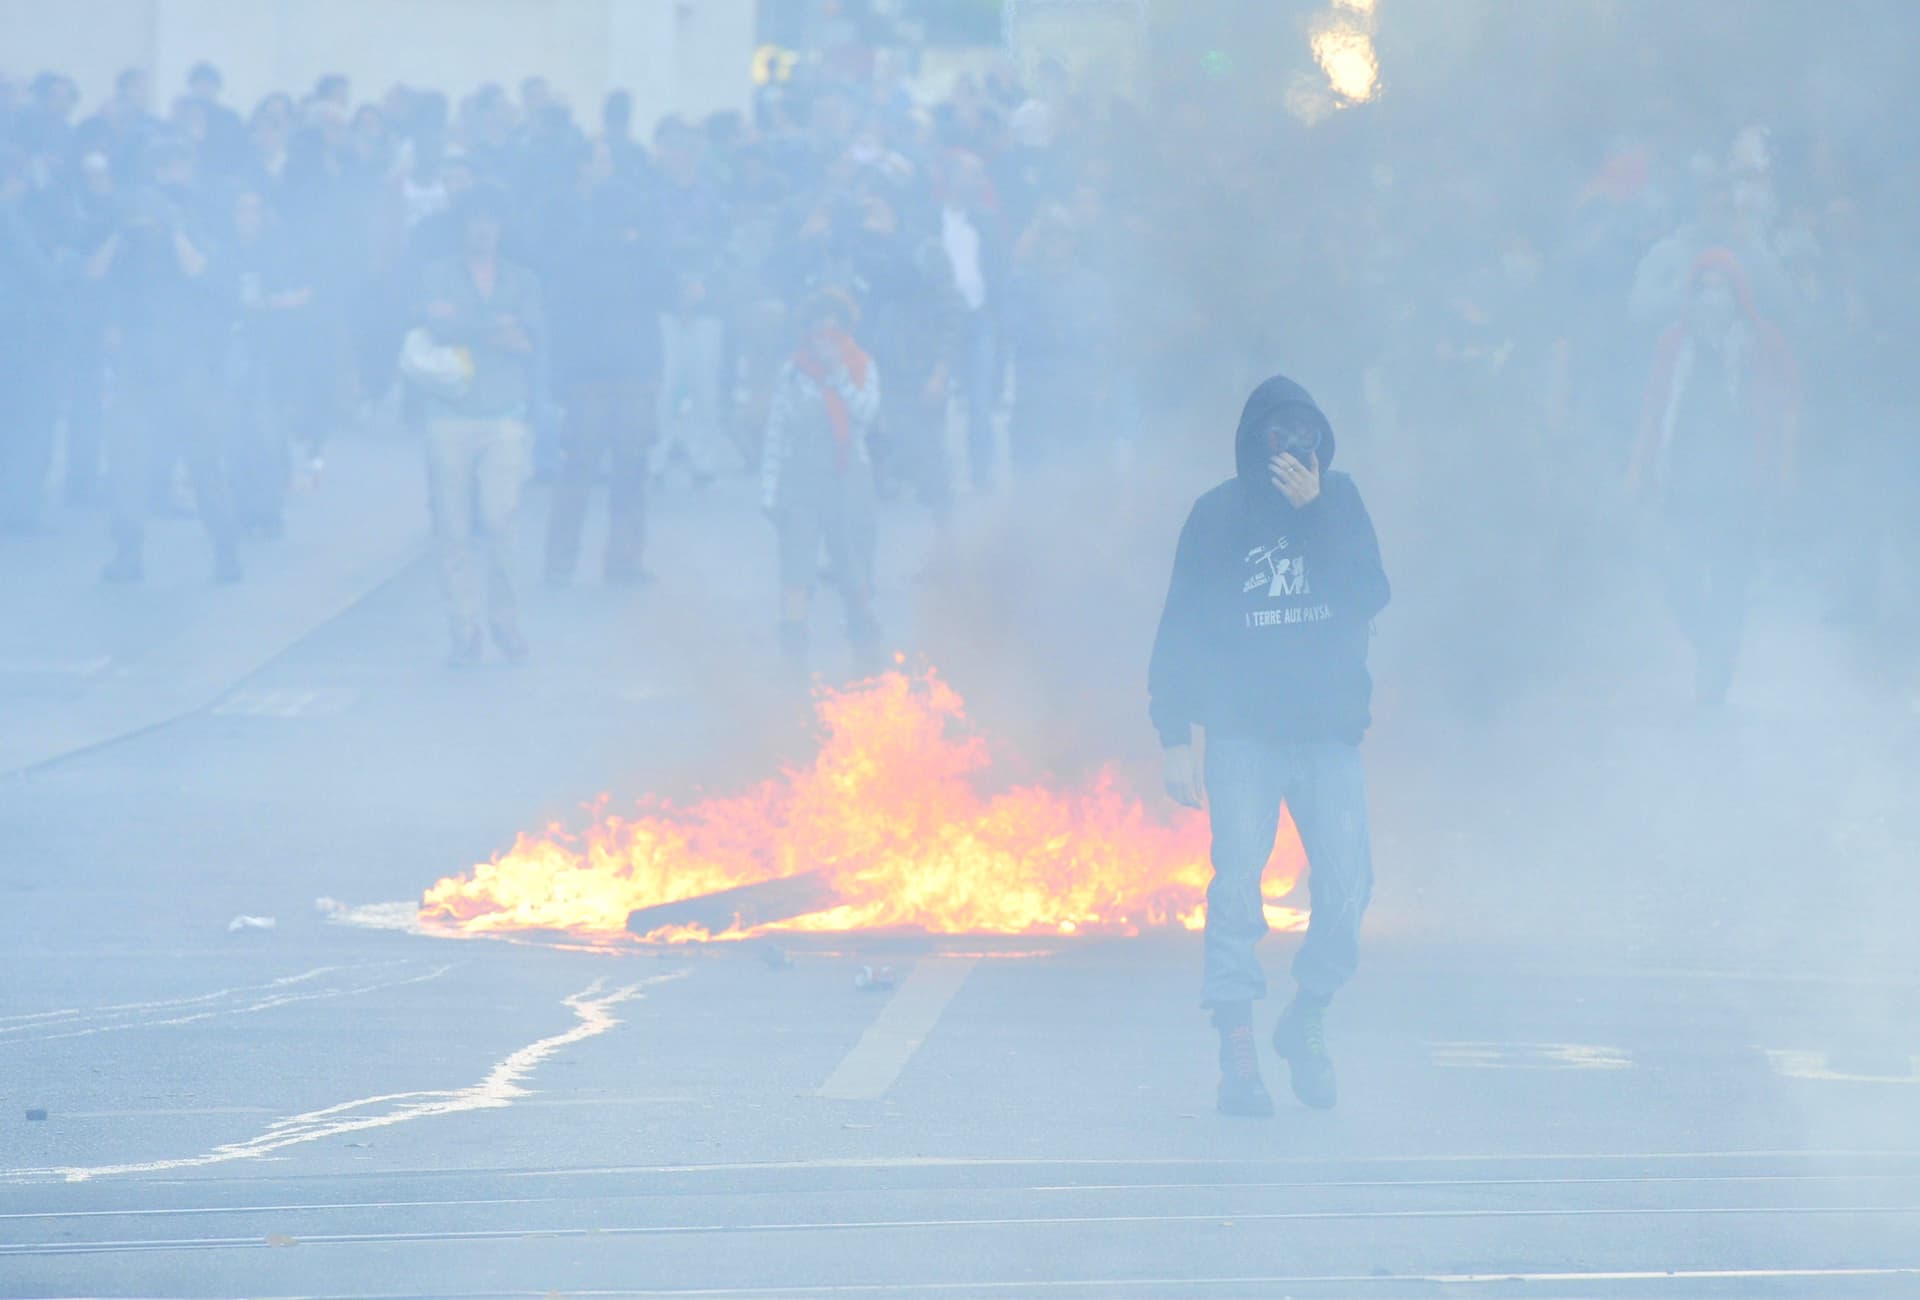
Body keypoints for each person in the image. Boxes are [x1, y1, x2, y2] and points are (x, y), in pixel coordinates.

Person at [1148, 374, 1391, 1116]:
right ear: (1255, 442)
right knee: (1236, 892)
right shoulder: (1217, 515)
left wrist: (1315, 516)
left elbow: (1368, 596)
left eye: (1305, 435)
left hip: (1325, 733)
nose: (1292, 450)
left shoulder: (1340, 501)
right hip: (1242, 733)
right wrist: (1172, 734)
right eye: (1278, 436)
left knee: (1349, 885)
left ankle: (1307, 1014)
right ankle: (1238, 1052)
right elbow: (1180, 624)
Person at [1628, 249, 1797, 708]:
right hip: (1682, 479)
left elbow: (1786, 414)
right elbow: (1655, 409)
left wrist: (1782, 475)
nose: (1713, 297)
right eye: (1705, 286)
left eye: (1723, 287)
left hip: (1741, 483)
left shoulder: (1764, 343)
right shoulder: (1673, 344)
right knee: (1675, 575)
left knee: (1729, 580)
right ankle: (1708, 640)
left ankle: (1715, 674)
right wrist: (1639, 470)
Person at [414, 186, 544, 667]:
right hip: (448, 414)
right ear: (463, 226)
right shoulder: (436, 275)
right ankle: (463, 628)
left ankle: (504, 619)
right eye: (475, 219)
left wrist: (466, 322)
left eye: (492, 219)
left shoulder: (524, 279)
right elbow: (434, 326)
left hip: (504, 415)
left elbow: (529, 339)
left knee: (499, 519)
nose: (484, 229)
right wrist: (496, 326)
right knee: (450, 528)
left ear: (502, 227)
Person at [761, 284, 881, 675]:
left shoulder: (862, 366)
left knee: (852, 566)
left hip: (849, 479)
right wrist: (769, 489)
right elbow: (776, 431)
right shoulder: (793, 373)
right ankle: (792, 654)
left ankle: (863, 644)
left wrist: (839, 376)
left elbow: (866, 415)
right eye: (819, 331)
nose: (827, 339)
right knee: (797, 564)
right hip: (801, 479)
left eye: (836, 330)